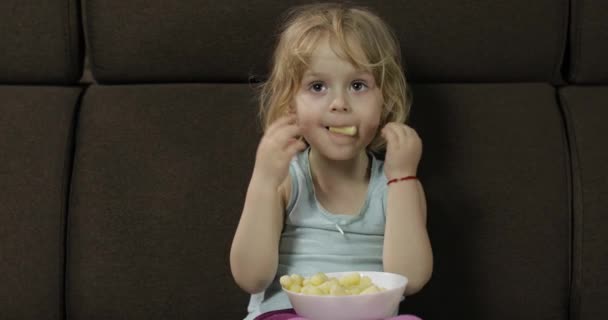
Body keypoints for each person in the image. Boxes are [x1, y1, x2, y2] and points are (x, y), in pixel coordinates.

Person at [230, 3, 433, 320]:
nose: (339, 104)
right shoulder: (285, 179)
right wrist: (264, 181)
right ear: (290, 104)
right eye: (317, 86)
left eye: (358, 85)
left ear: (386, 99)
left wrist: (403, 177)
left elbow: (411, 280)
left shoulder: (396, 184)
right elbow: (250, 277)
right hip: (286, 311)